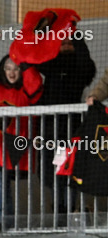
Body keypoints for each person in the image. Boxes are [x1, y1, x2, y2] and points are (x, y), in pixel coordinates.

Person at [0, 41, 43, 230]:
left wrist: (22, 57)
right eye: (7, 68)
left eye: (16, 69)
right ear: (2, 70)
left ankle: (11, 223)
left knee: (9, 186)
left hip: (20, 148)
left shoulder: (26, 93)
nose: (12, 72)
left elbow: (35, 83)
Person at [35, 28, 95, 223]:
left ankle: (69, 209)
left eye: (70, 43)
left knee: (70, 171)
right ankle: (59, 209)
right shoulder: (51, 65)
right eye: (63, 43)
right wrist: (45, 34)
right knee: (53, 173)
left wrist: (75, 32)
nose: (66, 46)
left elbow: (86, 62)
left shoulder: (81, 68)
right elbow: (33, 58)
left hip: (71, 130)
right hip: (50, 131)